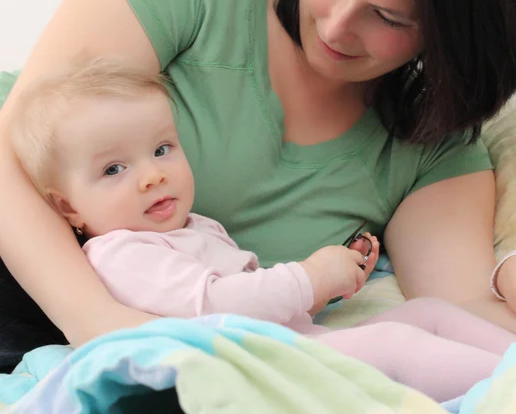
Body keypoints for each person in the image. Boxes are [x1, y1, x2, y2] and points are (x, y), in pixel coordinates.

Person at [1, 0, 516, 374]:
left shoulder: (429, 138)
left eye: (386, 17)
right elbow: (11, 143)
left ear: (445, 33)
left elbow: (463, 313)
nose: (337, 28)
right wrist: (100, 324)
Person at [9, 59, 516, 402]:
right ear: (69, 209)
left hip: (286, 342)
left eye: (162, 149)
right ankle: (499, 393)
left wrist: (327, 284)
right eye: (114, 169)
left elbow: (256, 296)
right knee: (393, 346)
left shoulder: (190, 227)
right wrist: (311, 277)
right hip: (255, 368)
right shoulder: (122, 254)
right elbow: (215, 306)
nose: (151, 174)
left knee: (424, 311)